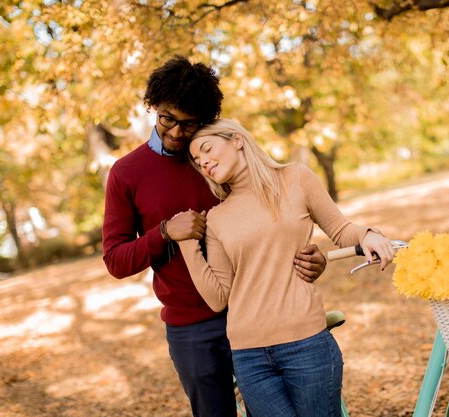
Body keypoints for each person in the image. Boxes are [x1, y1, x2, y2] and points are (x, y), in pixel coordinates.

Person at [102, 57, 327, 417]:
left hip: (258, 317)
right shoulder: (126, 173)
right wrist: (163, 233)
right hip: (191, 329)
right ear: (152, 108)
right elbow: (115, 259)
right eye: (167, 119)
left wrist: (315, 259)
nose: (175, 132)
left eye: (188, 124)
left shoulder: (218, 160)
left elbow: (272, 221)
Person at [177, 118, 396, 417]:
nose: (204, 162)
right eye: (197, 160)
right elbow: (218, 297)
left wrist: (368, 234)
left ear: (237, 140)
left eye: (206, 149)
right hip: (248, 356)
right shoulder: (217, 218)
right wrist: (187, 243)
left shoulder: (296, 178)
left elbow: (341, 229)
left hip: (306, 345)